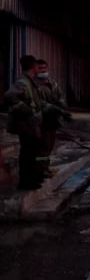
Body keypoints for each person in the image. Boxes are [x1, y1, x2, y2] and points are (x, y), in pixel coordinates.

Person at [3, 55, 44, 190]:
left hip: (31, 124)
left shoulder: (30, 82)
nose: (40, 69)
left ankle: (31, 181)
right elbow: (9, 95)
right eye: (38, 66)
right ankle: (25, 183)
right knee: (27, 154)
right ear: (33, 67)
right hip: (26, 125)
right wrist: (25, 108)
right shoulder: (23, 82)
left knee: (31, 153)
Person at [35, 59, 72, 178]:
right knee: (43, 147)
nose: (43, 71)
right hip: (42, 121)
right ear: (36, 70)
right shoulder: (35, 86)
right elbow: (41, 104)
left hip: (53, 121)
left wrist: (63, 107)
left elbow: (60, 97)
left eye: (44, 68)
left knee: (50, 145)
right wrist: (58, 109)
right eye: (40, 69)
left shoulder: (53, 83)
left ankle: (46, 168)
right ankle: (41, 170)